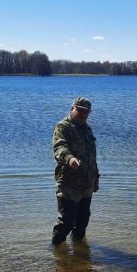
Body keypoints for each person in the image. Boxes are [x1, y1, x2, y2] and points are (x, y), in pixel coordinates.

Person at [52, 97, 100, 245]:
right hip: (69, 184)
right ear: (72, 109)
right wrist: (70, 159)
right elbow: (59, 147)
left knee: (82, 222)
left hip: (86, 185)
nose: (83, 115)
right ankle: (57, 252)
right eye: (79, 111)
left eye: (86, 113)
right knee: (66, 223)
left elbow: (92, 157)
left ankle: (79, 257)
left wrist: (96, 178)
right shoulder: (63, 127)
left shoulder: (87, 129)